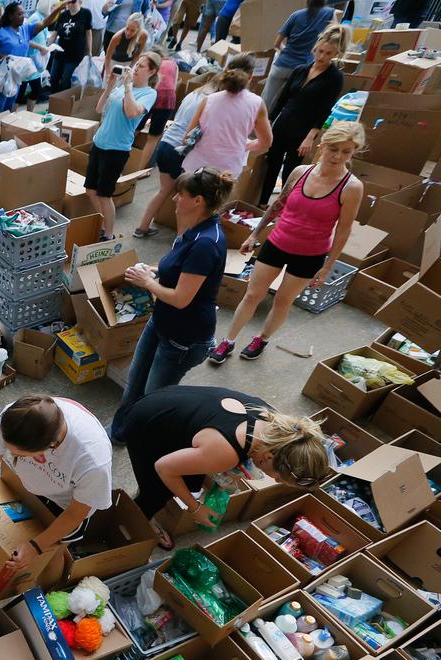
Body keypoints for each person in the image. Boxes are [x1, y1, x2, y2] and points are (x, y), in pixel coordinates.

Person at [210, 122, 365, 363]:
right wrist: (254, 234)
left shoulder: (352, 187)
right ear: (322, 146)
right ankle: (227, 341)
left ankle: (262, 339)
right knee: (252, 295)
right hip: (277, 242)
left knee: (283, 300)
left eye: (346, 151)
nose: (338, 156)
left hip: (310, 254)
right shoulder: (300, 172)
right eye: (334, 149)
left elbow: (343, 231)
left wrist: (326, 267)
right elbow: (277, 204)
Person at [108, 168, 233, 444]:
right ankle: (120, 432)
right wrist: (151, 271)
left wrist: (147, 282)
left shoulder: (205, 243)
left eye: (181, 194)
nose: (175, 199)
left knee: (154, 399)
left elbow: (181, 298)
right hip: (161, 322)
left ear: (198, 200)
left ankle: (144, 440)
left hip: (182, 339)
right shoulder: (191, 228)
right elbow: (174, 270)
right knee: (134, 382)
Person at [125, 385, 328, 548]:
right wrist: (195, 508)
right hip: (146, 423)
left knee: (191, 480)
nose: (275, 480)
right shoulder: (226, 452)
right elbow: (164, 468)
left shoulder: (281, 428)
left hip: (168, 402)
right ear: (267, 457)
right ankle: (139, 523)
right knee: (156, 492)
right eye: (279, 477)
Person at [0, 396, 114, 569]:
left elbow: (76, 513)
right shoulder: (13, 418)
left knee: (50, 559)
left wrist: (36, 547)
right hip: (35, 489)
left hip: (67, 506)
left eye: (20, 456)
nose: (13, 457)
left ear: (46, 451)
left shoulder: (92, 462)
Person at [258, 24, 348, 207]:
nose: (322, 57)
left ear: (335, 55)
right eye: (320, 51)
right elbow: (282, 98)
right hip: (283, 124)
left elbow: (325, 108)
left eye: (328, 53)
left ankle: (285, 208)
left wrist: (310, 136)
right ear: (315, 49)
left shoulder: (335, 78)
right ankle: (261, 204)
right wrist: (269, 120)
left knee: (291, 172)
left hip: (302, 131)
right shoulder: (300, 70)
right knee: (271, 165)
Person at [133, 67, 220, 238]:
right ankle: (181, 238)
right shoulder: (210, 101)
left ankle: (142, 227)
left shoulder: (194, 94)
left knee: (163, 190)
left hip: (165, 143)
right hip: (179, 150)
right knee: (183, 198)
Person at [86, 52, 160, 237]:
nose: (135, 69)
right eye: (136, 65)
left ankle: (109, 234)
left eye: (141, 66)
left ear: (151, 71)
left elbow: (131, 112)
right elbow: (99, 108)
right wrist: (111, 83)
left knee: (104, 194)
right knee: (90, 189)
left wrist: (127, 86)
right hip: (99, 143)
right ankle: (104, 221)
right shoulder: (121, 87)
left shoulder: (149, 93)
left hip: (116, 150)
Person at [181, 53, 272, 177]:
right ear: (251, 76)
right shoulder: (257, 104)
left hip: (196, 166)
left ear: (226, 73)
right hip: (226, 172)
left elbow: (187, 137)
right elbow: (266, 142)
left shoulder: (209, 99)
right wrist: (245, 146)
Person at [0, 2, 66, 115]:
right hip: (1, 77)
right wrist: (4, 57)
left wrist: (58, 9)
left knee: (9, 109)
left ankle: (3, 132)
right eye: (20, 14)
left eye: (24, 13)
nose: (23, 16)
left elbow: (44, 23)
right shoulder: (0, 31)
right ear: (10, 16)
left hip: (16, 78)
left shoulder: (25, 30)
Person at [260, 0, 338, 114]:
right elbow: (335, 36)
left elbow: (276, 43)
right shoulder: (330, 13)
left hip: (282, 65)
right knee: (285, 105)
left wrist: (284, 51)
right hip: (303, 70)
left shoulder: (296, 15)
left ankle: (251, 129)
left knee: (265, 102)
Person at [48, 0, 94, 94]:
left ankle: (63, 103)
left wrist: (89, 50)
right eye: (67, 2)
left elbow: (88, 33)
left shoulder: (86, 13)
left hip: (74, 54)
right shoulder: (63, 15)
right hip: (60, 52)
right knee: (53, 78)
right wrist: (46, 47)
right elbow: (55, 33)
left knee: (66, 79)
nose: (69, 4)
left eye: (72, 2)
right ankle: (53, 101)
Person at [139, 43, 177, 138]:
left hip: (152, 94)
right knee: (154, 136)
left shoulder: (151, 65)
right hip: (168, 99)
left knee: (136, 127)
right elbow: (174, 87)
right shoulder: (173, 64)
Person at [103, 13, 148, 78]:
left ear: (138, 30)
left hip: (128, 63)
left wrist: (132, 68)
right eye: (127, 28)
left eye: (132, 30)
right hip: (114, 62)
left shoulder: (143, 36)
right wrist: (108, 73)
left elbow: (138, 54)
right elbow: (107, 57)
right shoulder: (117, 37)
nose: (128, 33)